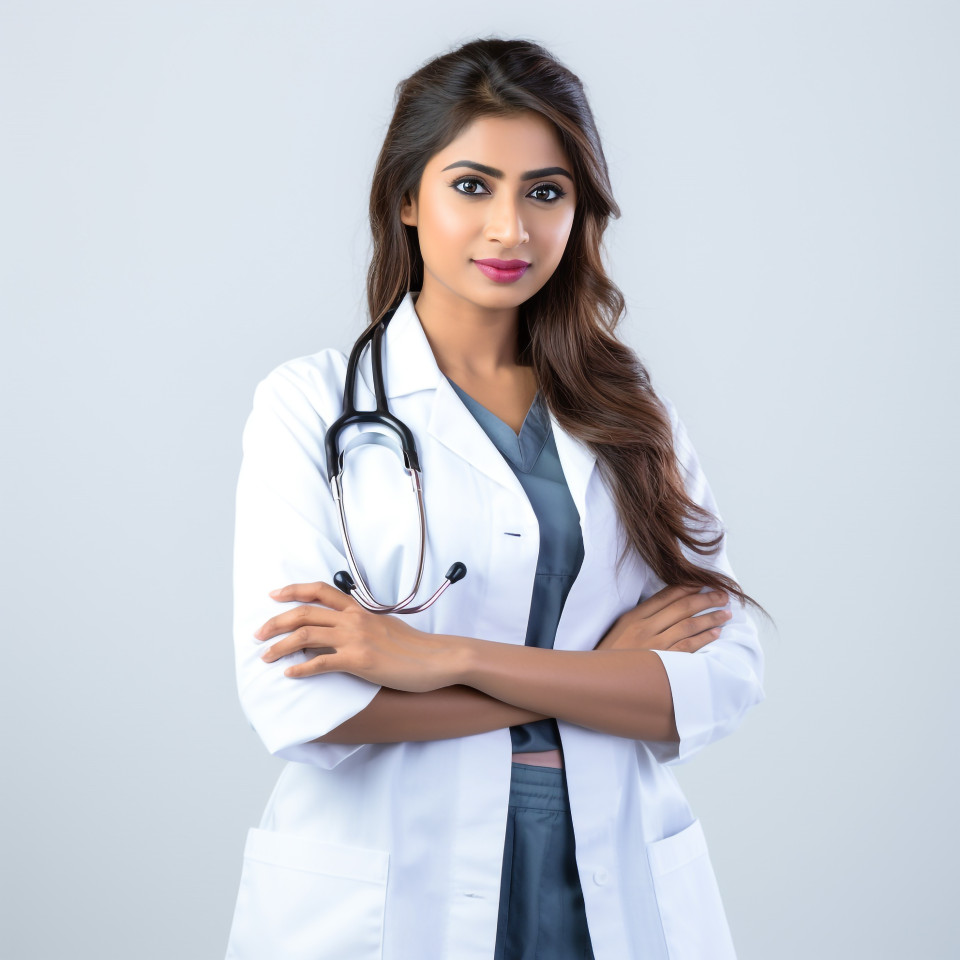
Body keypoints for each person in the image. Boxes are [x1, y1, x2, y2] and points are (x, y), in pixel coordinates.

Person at [224, 37, 766, 960]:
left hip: (606, 881)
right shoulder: (310, 407)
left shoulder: (631, 413)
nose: (511, 230)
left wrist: (432, 657)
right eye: (472, 186)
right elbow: (305, 706)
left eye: (545, 192)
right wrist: (594, 676)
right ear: (406, 197)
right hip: (393, 888)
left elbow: (717, 680)